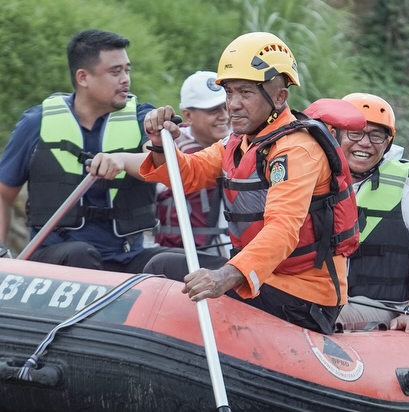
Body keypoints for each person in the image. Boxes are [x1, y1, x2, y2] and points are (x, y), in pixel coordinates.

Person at [89, 32, 359, 334]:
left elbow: (283, 229)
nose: (232, 104)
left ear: (279, 97)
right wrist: (160, 146)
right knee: (162, 263)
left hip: (304, 296)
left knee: (163, 268)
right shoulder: (240, 142)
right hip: (266, 278)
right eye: (229, 93)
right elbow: (189, 173)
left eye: (245, 93)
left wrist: (226, 276)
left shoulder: (295, 149)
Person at [0, 28, 169, 271]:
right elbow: (0, 195)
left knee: (175, 263)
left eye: (127, 70)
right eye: (115, 72)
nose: (125, 79)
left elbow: (156, 162)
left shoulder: (143, 118)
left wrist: (122, 160)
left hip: (124, 258)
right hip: (58, 258)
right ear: (83, 77)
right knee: (80, 254)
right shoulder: (35, 123)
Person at [333, 93, 409, 339]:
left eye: (376, 136)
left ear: (387, 144)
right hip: (324, 296)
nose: (365, 143)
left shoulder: (408, 191)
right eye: (355, 133)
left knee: (330, 314)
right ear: (336, 134)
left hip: (384, 307)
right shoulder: (317, 181)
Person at [153, 71, 229, 253]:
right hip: (183, 252)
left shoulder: (243, 140)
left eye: (226, 107)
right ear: (187, 115)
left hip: (230, 249)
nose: (224, 116)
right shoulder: (170, 146)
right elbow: (146, 164)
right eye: (213, 110)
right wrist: (118, 160)